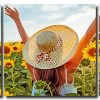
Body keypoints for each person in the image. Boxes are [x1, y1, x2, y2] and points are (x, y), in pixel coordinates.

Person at [5, 6, 98, 96]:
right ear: (61, 49)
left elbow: (27, 44)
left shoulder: (33, 69)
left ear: (38, 49)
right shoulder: (69, 67)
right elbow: (87, 37)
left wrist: (17, 20)